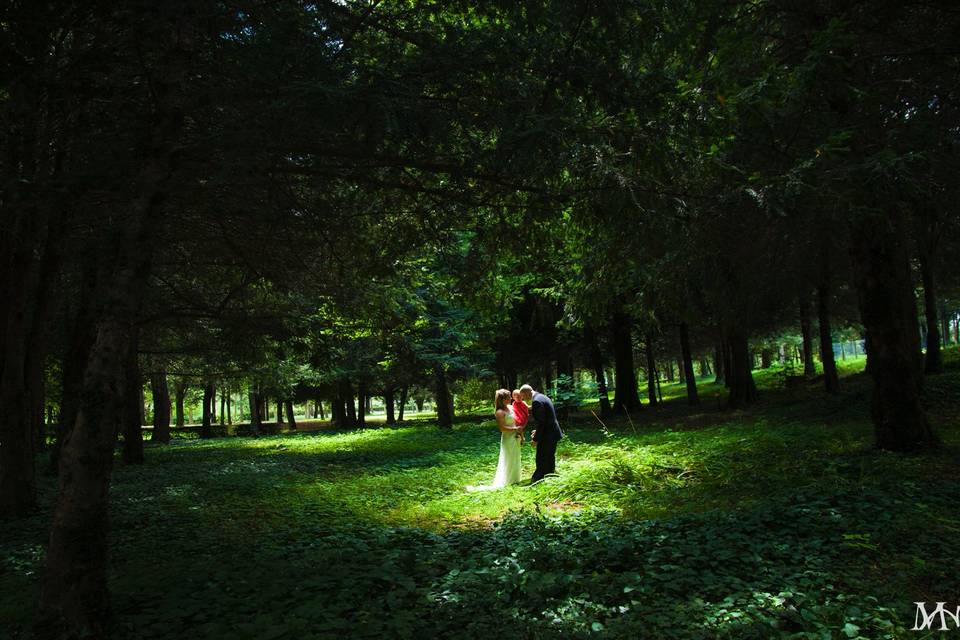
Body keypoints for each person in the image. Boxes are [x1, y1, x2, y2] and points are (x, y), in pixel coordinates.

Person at [520, 384, 563, 483]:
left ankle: (537, 480)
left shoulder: (536, 402)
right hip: (552, 431)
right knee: (549, 456)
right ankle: (550, 475)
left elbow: (541, 422)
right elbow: (545, 419)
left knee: (541, 457)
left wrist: (535, 439)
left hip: (548, 434)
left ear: (527, 393)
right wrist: (537, 431)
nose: (523, 399)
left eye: (523, 396)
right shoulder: (542, 397)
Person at [491, 388, 524, 488]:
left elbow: (518, 421)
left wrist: (521, 436)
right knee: (509, 458)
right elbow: (502, 428)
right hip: (508, 438)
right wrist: (515, 429)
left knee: (516, 457)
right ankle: (508, 480)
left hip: (516, 436)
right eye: (508, 397)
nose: (510, 398)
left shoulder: (510, 407)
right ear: (502, 399)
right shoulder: (499, 412)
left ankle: (515, 479)